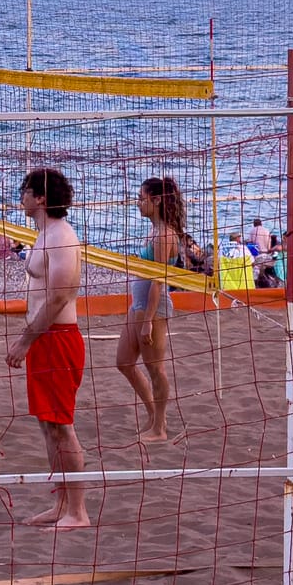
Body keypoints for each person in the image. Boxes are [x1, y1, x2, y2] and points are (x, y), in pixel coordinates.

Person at [5, 166, 89, 530]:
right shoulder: (44, 234)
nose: (20, 196)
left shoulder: (61, 237)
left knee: (62, 426)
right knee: (47, 426)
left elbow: (60, 298)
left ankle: (78, 512)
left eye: (25, 190)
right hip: (45, 337)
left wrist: (25, 339)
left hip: (57, 337)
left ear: (41, 198)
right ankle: (62, 503)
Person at [115, 175, 183, 445]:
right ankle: (155, 416)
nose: (138, 203)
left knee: (155, 368)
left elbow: (158, 281)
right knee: (123, 362)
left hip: (154, 308)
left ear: (156, 200)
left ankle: (159, 427)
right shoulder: (154, 230)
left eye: (142, 198)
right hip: (140, 305)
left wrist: (148, 322)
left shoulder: (165, 234)